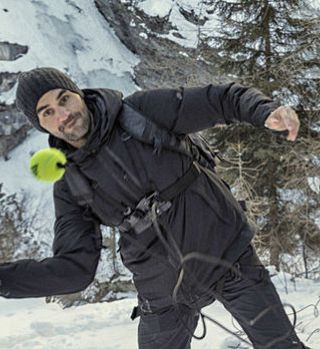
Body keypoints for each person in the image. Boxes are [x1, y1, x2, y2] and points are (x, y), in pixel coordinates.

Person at [0, 67, 306, 349]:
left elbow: (220, 100)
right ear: (41, 125)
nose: (63, 114)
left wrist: (264, 111)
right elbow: (75, 270)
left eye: (64, 99)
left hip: (227, 258)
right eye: (48, 112)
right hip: (162, 294)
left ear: (78, 93)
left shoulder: (141, 112)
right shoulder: (70, 185)